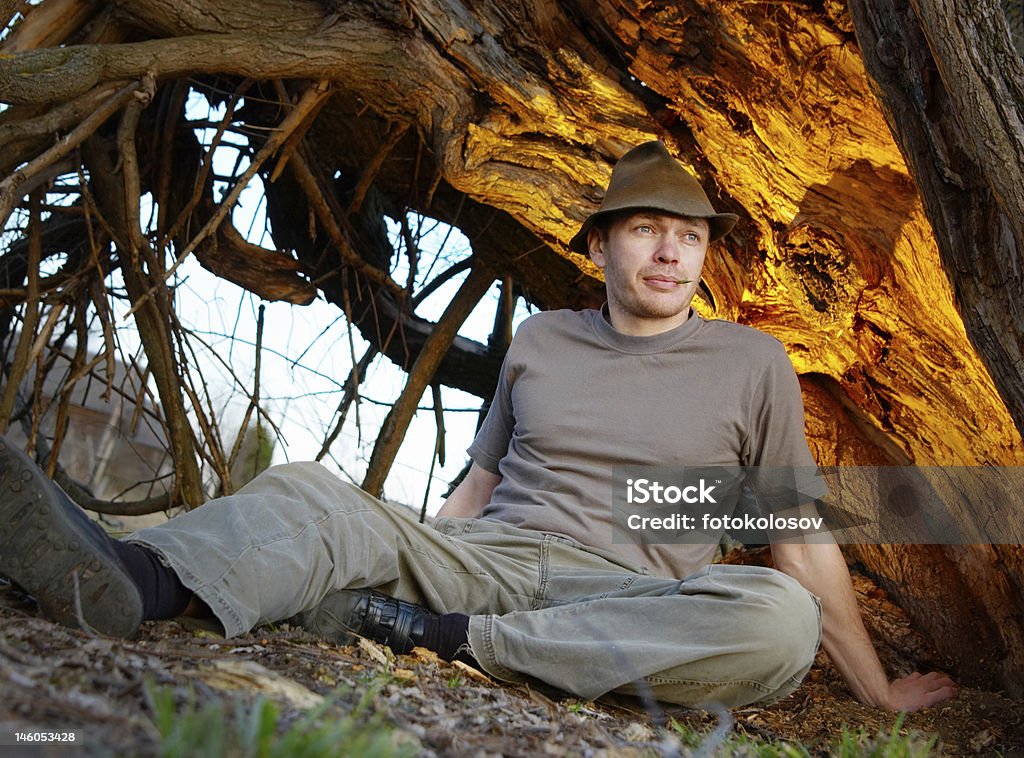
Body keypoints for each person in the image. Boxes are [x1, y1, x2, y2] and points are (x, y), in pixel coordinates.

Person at [0, 141, 956, 711]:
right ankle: (132, 579)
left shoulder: (752, 363)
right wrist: (403, 547)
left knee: (776, 621)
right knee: (308, 491)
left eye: (691, 236)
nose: (671, 251)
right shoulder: (539, 340)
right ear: (598, 243)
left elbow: (797, 536)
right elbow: (481, 485)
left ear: (705, 253)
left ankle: (453, 640)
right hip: (494, 559)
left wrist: (875, 689)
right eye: (645, 229)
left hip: (624, 596)